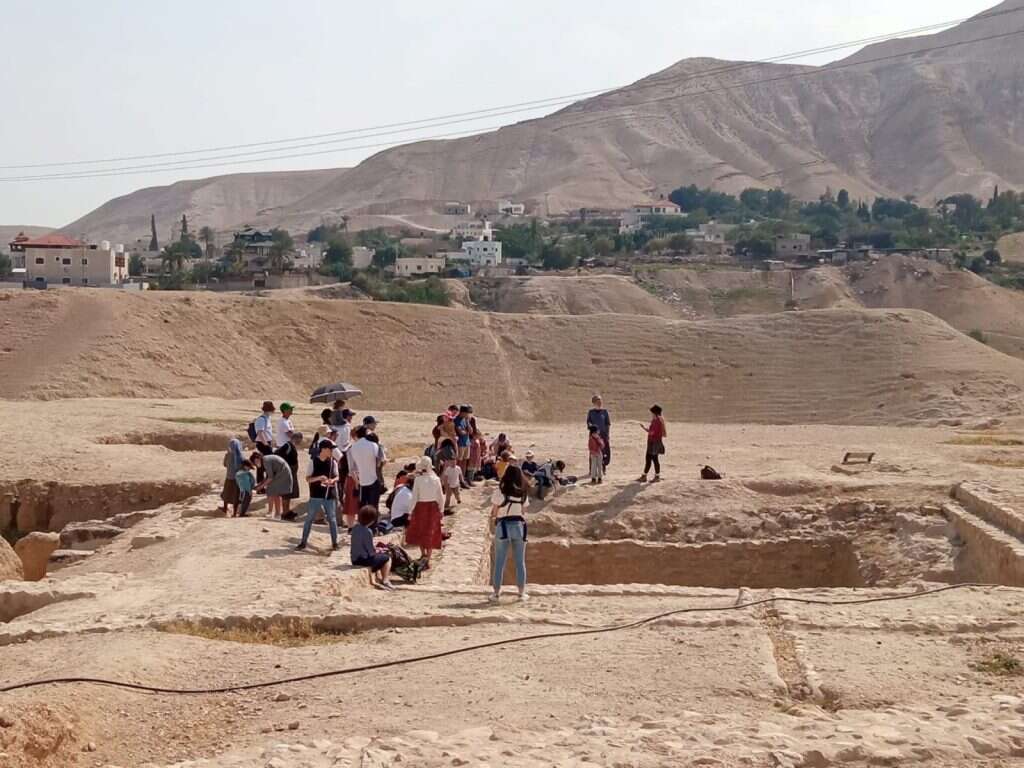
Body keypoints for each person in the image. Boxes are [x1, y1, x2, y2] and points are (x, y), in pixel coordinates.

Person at [489, 464, 529, 602]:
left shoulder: (500, 492)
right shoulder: (523, 493)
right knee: (520, 561)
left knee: (500, 561)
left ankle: (496, 593)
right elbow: (524, 511)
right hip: (519, 527)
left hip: (503, 526)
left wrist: (496, 516)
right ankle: (521, 592)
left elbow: (494, 512)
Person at [296, 440, 340, 551]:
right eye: (330, 449)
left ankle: (335, 543)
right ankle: (303, 542)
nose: (332, 451)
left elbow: (337, 476)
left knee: (332, 519)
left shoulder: (332, 462)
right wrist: (319, 478)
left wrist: (332, 481)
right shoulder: (313, 461)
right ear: (324, 449)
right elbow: (307, 479)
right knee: (309, 519)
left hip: (329, 494)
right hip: (316, 494)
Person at [405, 456, 445, 568]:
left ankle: (423, 554)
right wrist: (441, 510)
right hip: (433, 507)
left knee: (421, 531)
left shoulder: (418, 480)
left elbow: (414, 497)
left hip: (420, 507)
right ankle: (428, 557)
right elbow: (440, 496)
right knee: (430, 532)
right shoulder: (436, 479)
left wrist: (410, 511)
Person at [351, 506, 395, 590]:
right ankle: (385, 580)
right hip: (363, 560)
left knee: (380, 556)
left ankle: (381, 577)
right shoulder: (368, 531)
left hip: (354, 559)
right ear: (372, 520)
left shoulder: (355, 528)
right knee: (387, 558)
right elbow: (370, 552)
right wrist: (378, 550)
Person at [347, 423, 383, 510]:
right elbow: (380, 462)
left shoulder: (352, 448)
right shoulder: (374, 445)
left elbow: (351, 470)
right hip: (374, 480)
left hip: (361, 482)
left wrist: (357, 483)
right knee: (373, 507)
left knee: (363, 508)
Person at [252, 451, 293, 519]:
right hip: (282, 474)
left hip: (282, 474)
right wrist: (259, 485)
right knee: (275, 494)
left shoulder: (265, 461)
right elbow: (268, 476)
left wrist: (260, 487)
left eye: (255, 463)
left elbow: (270, 478)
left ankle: (270, 512)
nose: (256, 465)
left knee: (270, 490)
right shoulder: (266, 459)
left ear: (257, 459)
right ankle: (277, 514)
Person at [275, 431, 303, 520]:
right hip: (287, 474)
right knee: (286, 494)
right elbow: (277, 454)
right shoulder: (287, 446)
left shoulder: (291, 446)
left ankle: (287, 511)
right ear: (296, 438)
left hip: (291, 474)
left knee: (289, 493)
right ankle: (285, 512)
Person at [638, 405, 667, 483]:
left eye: (652, 412)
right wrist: (645, 428)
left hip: (655, 443)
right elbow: (651, 431)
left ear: (655, 412)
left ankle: (656, 476)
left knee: (654, 459)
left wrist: (646, 429)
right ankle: (645, 476)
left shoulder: (657, 421)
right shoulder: (655, 420)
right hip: (651, 442)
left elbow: (653, 432)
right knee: (649, 459)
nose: (651, 414)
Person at [219, 438, 245, 516]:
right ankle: (234, 512)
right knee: (236, 495)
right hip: (238, 479)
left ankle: (225, 508)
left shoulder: (227, 455)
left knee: (227, 493)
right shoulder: (241, 456)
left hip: (229, 477)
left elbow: (224, 464)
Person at [253, 401, 275, 488]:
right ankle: (261, 485)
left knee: (264, 465)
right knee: (264, 465)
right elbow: (260, 432)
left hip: (266, 443)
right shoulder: (261, 419)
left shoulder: (267, 418)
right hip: (263, 444)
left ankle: (264, 484)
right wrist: (266, 444)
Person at [587, 395, 612, 468]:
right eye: (597, 401)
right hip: (593, 436)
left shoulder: (605, 412)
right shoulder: (591, 412)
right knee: (593, 451)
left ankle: (603, 467)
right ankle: (591, 469)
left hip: (603, 435)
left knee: (603, 451)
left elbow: (607, 424)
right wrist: (591, 427)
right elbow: (588, 422)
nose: (599, 403)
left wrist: (607, 434)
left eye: (600, 401)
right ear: (594, 402)